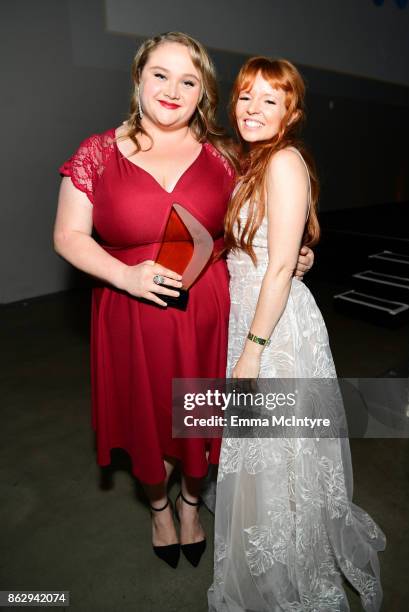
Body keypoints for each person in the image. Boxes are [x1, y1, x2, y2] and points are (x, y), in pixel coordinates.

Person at [53, 33, 314, 570]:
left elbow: (264, 215)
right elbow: (69, 237)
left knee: (202, 423)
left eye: (188, 81)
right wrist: (125, 276)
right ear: (137, 79)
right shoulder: (96, 153)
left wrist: (294, 256)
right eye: (160, 75)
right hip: (129, 315)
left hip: (208, 316)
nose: (172, 90)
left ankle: (192, 503)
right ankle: (159, 509)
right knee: (144, 419)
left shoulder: (224, 153)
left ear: (204, 94)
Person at [208, 57, 386, 610]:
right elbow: (271, 247)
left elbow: (280, 266)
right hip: (255, 311)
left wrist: (252, 353)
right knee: (271, 451)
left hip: (275, 329)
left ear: (292, 111)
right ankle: (271, 534)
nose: (254, 108)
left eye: (270, 99)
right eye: (245, 97)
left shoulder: (283, 160)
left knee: (281, 448)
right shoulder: (251, 163)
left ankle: (291, 559)